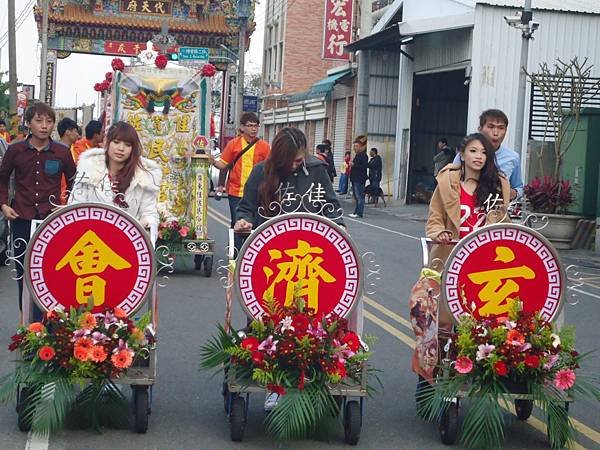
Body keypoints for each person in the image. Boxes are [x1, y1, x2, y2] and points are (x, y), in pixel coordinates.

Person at [0, 103, 77, 320]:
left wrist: (67, 206)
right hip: (21, 218)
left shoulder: (62, 152)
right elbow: (2, 179)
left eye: (49, 121)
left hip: (51, 221)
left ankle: (51, 320)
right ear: (29, 124)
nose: (44, 126)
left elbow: (74, 181)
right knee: (23, 272)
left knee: (51, 273)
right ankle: (28, 323)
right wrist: (4, 205)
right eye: (39, 121)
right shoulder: (15, 150)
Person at [235, 127, 343, 232]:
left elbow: (330, 204)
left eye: (298, 160)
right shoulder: (261, 171)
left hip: (310, 239)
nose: (292, 165)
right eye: (286, 161)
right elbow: (246, 207)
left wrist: (339, 224)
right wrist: (244, 221)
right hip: (269, 242)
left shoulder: (317, 169)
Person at [427, 133, 511, 267]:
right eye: (473, 151)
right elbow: (435, 217)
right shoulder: (446, 184)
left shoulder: (496, 187)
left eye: (484, 153)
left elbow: (503, 225)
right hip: (450, 257)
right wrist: (439, 232)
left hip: (486, 261)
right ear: (461, 154)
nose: (479, 156)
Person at [68, 121, 162, 229]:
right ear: (107, 142)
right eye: (116, 142)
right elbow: (75, 207)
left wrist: (142, 225)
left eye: (128, 145)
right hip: (91, 238)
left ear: (133, 149)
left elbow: (149, 213)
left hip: (127, 240)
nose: (121, 148)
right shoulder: (89, 168)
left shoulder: (144, 176)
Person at [209, 112, 270, 227]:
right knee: (238, 224)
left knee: (255, 225)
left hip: (258, 193)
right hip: (236, 192)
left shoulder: (264, 146)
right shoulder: (233, 144)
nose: (253, 129)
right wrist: (213, 162)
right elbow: (223, 165)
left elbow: (270, 168)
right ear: (242, 127)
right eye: (250, 125)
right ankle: (236, 245)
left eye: (256, 126)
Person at [452, 109, 523, 200]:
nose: (496, 133)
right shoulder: (466, 154)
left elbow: (519, 188)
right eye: (491, 127)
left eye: (501, 128)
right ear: (480, 129)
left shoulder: (513, 158)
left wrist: (510, 193)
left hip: (496, 210)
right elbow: (451, 180)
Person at [348, 135, 368, 218]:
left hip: (359, 179)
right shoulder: (358, 155)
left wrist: (354, 164)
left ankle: (359, 213)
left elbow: (364, 167)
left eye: (357, 146)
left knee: (359, 196)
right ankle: (356, 211)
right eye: (354, 146)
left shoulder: (364, 156)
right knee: (356, 196)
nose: (355, 148)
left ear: (362, 147)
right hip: (355, 178)